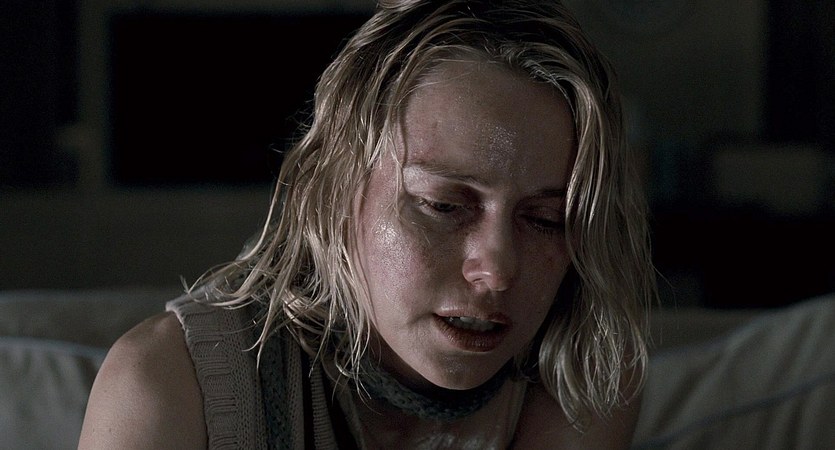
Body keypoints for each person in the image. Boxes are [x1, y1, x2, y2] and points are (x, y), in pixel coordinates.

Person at [78, 0, 656, 448]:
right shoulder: (166, 384)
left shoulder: (585, 374)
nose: (498, 269)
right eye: (443, 206)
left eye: (546, 219)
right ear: (332, 193)